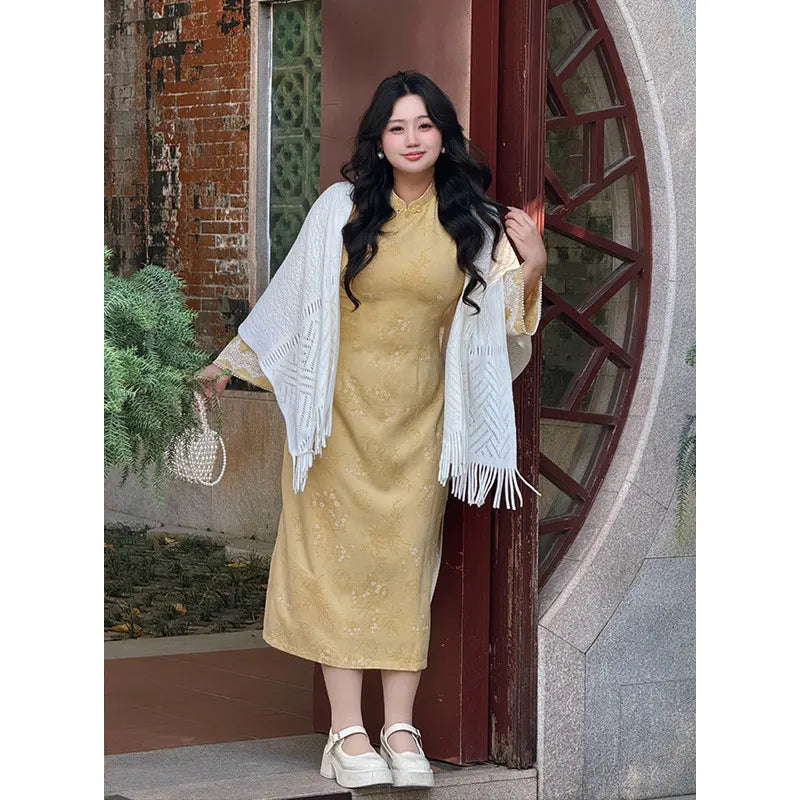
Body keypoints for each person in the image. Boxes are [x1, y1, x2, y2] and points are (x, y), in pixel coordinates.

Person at [195, 70, 547, 790]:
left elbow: (500, 330)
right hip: (336, 421)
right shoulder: (341, 209)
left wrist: (532, 266)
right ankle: (346, 731)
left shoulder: (473, 223)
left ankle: (399, 727)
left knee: (401, 570)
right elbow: (291, 300)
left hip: (419, 421)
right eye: (397, 127)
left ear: (443, 134)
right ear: (379, 141)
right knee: (336, 568)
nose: (412, 138)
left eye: (424, 125)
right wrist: (232, 363)